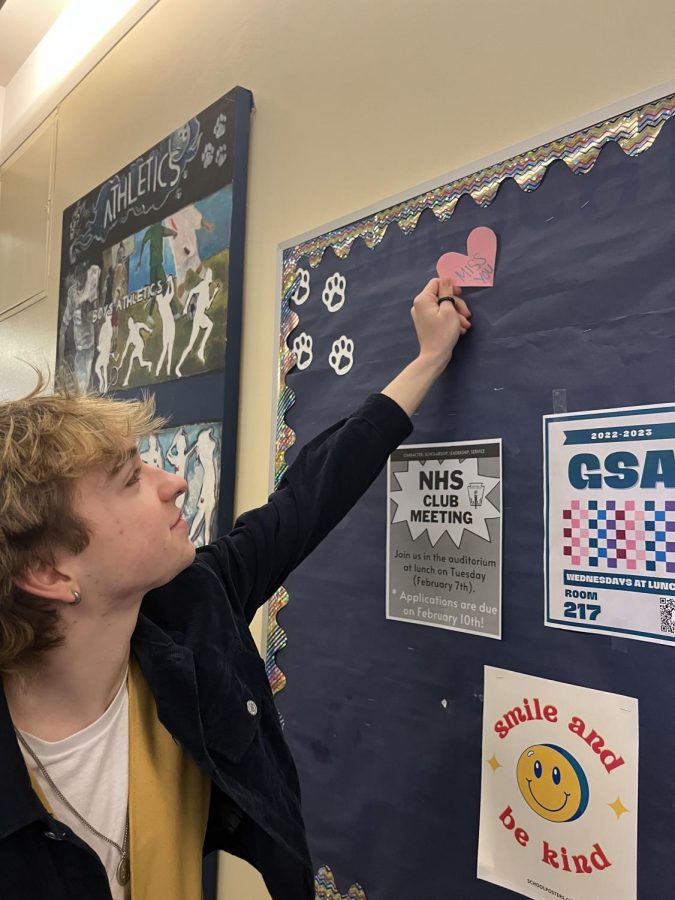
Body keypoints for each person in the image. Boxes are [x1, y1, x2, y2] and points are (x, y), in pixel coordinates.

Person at [0, 278, 471, 900]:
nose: (172, 482)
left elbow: (310, 495)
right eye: (127, 480)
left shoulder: (190, 610)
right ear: (51, 575)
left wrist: (428, 359)